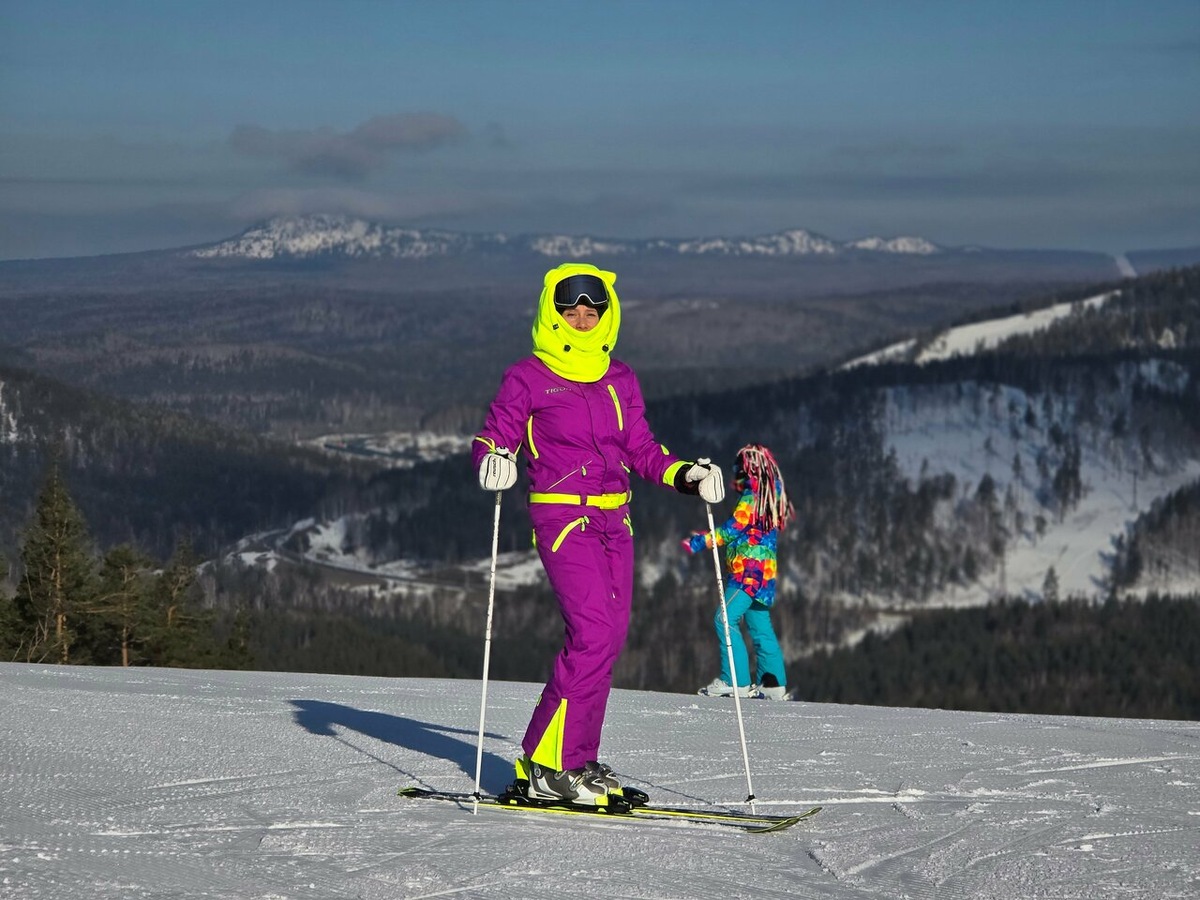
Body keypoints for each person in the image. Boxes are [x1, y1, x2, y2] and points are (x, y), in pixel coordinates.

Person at [472, 262, 725, 807]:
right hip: (564, 518)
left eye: (593, 308)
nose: (582, 317)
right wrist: (493, 460)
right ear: (553, 313)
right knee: (590, 634)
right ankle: (548, 766)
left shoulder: (619, 377)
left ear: (607, 314)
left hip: (617, 520)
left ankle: (575, 760)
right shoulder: (529, 375)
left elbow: (641, 448)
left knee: (606, 640)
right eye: (571, 308)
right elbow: (496, 436)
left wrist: (688, 475)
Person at [684, 443, 795, 701]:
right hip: (764, 575)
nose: (737, 475)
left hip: (747, 572)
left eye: (739, 470)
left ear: (750, 470)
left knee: (724, 618)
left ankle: (735, 681)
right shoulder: (771, 497)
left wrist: (701, 541)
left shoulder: (753, 497)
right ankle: (772, 684)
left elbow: (733, 529)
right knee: (760, 627)